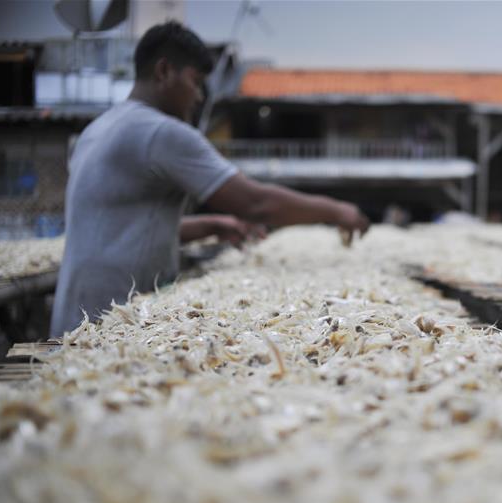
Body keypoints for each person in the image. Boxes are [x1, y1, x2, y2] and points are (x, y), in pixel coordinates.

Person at [50, 22, 369, 337]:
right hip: (110, 328)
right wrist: (337, 211)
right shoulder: (160, 132)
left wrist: (212, 225)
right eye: (195, 82)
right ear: (164, 71)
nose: (199, 96)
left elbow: (117, 229)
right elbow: (256, 204)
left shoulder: (99, 128)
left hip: (73, 321)